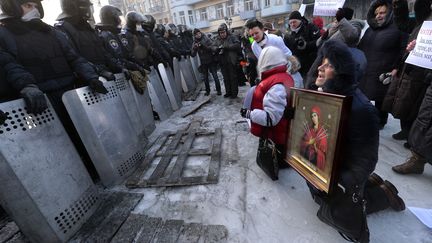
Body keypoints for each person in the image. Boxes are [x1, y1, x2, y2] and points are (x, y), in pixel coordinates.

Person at [307, 40, 405, 241]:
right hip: (328, 164)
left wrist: (346, 181)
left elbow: (366, 158)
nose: (320, 68)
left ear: (343, 72)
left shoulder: (361, 109)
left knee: (337, 206)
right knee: (319, 197)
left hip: (343, 171)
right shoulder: (322, 94)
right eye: (322, 62)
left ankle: (384, 195)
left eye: (329, 65)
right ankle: (368, 184)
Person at [0, 0, 107, 179]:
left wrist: (91, 77)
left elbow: (74, 59)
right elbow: (10, 65)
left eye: (35, 5)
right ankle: (74, 179)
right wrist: (27, 86)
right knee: (57, 144)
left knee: (84, 137)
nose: (33, 10)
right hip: (42, 101)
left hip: (69, 93)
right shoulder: (4, 34)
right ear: (13, 7)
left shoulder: (51, 31)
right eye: (28, 5)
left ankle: (94, 173)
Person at [382, 0, 432, 144]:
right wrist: (399, 4)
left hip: (426, 71)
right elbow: (404, 23)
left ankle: (414, 138)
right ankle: (406, 130)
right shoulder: (422, 21)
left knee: (418, 105)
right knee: (405, 101)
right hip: (412, 66)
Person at [240, 46, 294, 175]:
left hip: (275, 135)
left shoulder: (276, 84)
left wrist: (249, 114)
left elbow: (271, 118)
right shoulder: (278, 78)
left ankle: (280, 163)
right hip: (277, 133)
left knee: (275, 158)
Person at [358, 0, 408, 129]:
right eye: (376, 13)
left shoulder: (398, 28)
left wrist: (397, 67)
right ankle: (365, 117)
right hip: (367, 69)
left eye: (382, 13)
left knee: (381, 98)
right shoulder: (370, 29)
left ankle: (381, 121)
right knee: (364, 95)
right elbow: (361, 46)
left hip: (384, 70)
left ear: (390, 13)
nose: (379, 16)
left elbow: (404, 49)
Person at [55, 0, 123, 82]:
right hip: (88, 81)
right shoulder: (63, 30)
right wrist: (99, 72)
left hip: (105, 76)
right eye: (84, 6)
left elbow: (103, 52)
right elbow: (75, 58)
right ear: (73, 7)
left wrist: (120, 67)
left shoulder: (88, 28)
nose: (88, 9)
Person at [283, 11, 320, 77]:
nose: (292, 24)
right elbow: (286, 49)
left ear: (300, 21)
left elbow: (318, 42)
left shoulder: (310, 27)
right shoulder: (288, 34)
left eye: (294, 22)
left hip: (311, 63)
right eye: (290, 23)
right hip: (297, 65)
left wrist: (306, 45)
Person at [191, 28, 221, 96]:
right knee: (205, 78)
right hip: (203, 62)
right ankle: (207, 91)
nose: (198, 35)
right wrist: (195, 48)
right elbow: (192, 54)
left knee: (215, 76)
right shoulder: (194, 42)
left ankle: (219, 90)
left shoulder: (206, 38)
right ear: (194, 35)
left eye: (199, 33)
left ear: (200, 33)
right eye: (196, 34)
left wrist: (203, 46)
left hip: (211, 60)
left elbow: (212, 48)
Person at [213, 24, 240, 98]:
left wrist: (227, 47)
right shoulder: (217, 39)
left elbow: (237, 45)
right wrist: (217, 48)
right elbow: (213, 46)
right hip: (222, 61)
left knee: (233, 78)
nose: (222, 34)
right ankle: (228, 92)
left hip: (231, 60)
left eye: (223, 32)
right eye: (220, 33)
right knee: (226, 78)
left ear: (226, 31)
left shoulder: (232, 37)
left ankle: (234, 93)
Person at [300, 106, 327, 170]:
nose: (313, 118)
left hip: (315, 161)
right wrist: (309, 143)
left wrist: (315, 148)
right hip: (306, 158)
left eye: (315, 115)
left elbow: (323, 154)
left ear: (318, 116)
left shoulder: (322, 133)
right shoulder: (309, 130)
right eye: (312, 116)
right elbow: (301, 143)